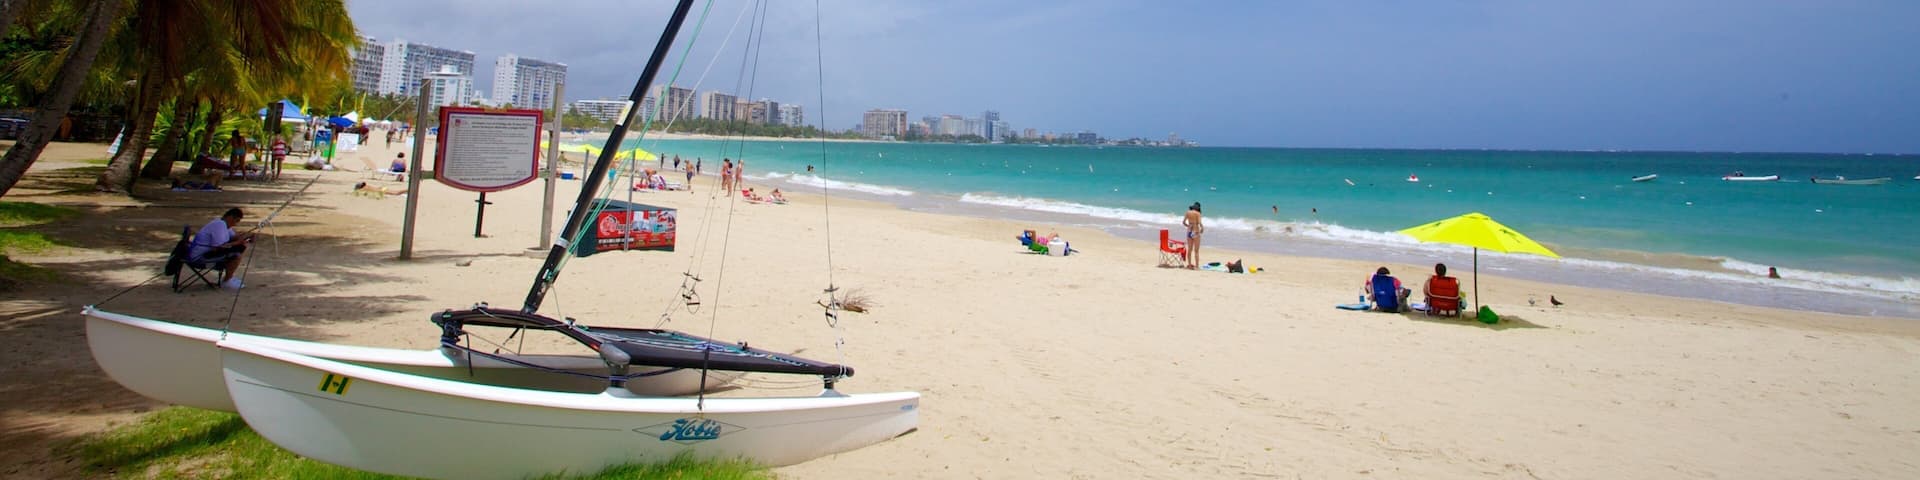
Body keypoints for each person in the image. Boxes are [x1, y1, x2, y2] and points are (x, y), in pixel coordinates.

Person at [189, 208, 254, 289]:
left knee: (240, 247)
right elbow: (220, 247)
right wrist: (238, 243)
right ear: (230, 217)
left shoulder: (224, 225)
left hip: (205, 254)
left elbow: (234, 237)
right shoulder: (219, 225)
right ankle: (227, 281)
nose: (235, 224)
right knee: (236, 255)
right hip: (199, 259)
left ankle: (229, 277)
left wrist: (246, 236)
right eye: (236, 221)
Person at [1182, 202, 1204, 269]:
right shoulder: (1198, 213)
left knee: (1190, 249)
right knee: (1196, 251)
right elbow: (1200, 223)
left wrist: (1188, 226)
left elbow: (1183, 222)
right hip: (1195, 231)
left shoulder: (1188, 212)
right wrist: (1202, 228)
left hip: (1189, 231)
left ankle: (1189, 265)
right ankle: (1197, 266)